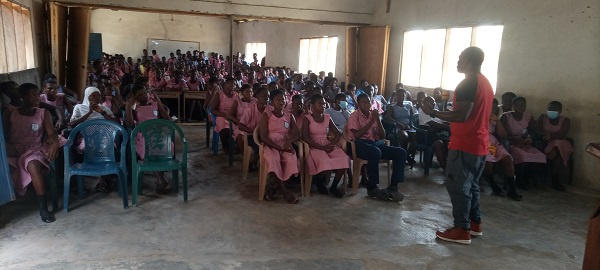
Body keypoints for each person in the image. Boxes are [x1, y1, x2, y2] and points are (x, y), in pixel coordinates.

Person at [422, 46, 494, 245]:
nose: (457, 61)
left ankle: (461, 229)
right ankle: (475, 223)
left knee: (457, 186)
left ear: (469, 61)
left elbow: (462, 115)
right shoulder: (485, 83)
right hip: (479, 142)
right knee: (472, 186)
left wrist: (434, 113)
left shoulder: (467, 84)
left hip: (465, 144)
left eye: (460, 58)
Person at [3, 83, 60, 223]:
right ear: (23, 96)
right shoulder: (10, 112)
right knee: (5, 167)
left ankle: (43, 208)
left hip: (35, 148)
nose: (37, 97)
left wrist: (55, 144)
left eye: (37, 93)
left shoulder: (43, 113)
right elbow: (3, 135)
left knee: (33, 165)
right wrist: (8, 147)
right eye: (33, 94)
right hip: (15, 149)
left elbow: (52, 133)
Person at [346, 94, 407, 202]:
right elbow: (357, 136)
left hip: (374, 144)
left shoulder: (373, 115)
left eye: (368, 102)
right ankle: (372, 187)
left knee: (401, 153)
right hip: (358, 144)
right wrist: (371, 121)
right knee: (375, 152)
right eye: (363, 102)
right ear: (359, 104)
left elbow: (383, 136)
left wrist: (377, 119)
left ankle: (393, 187)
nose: (367, 105)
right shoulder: (354, 115)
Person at [125, 84, 172, 194]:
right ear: (135, 96)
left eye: (145, 92)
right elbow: (129, 123)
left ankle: (160, 179)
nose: (144, 96)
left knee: (162, 143)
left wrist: (159, 103)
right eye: (140, 94)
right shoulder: (135, 106)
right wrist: (128, 106)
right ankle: (160, 179)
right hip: (142, 135)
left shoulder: (154, 103)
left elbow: (167, 119)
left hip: (157, 134)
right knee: (149, 145)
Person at [257, 90, 301, 204]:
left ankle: (273, 188)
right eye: (277, 100)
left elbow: (297, 134)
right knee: (273, 159)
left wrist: (288, 141)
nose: (281, 102)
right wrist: (279, 148)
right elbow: (263, 136)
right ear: (272, 102)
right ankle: (285, 192)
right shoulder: (267, 115)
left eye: (283, 100)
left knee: (291, 159)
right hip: (271, 144)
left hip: (284, 143)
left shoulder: (289, 116)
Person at [302, 94, 349, 198]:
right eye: (320, 104)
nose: (323, 106)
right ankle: (319, 182)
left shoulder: (327, 117)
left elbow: (338, 133)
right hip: (314, 145)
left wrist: (331, 144)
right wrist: (321, 147)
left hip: (327, 143)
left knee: (344, 159)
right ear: (313, 106)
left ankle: (334, 186)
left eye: (324, 104)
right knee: (324, 160)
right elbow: (305, 137)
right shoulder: (307, 118)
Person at [500, 96, 547, 190]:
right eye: (517, 105)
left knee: (540, 156)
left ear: (525, 106)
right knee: (523, 156)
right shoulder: (506, 116)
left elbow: (532, 132)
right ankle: (519, 179)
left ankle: (527, 177)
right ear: (513, 106)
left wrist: (528, 139)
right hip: (510, 143)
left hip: (524, 143)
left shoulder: (528, 117)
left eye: (522, 105)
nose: (520, 107)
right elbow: (500, 134)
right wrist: (513, 140)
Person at [483, 99, 522, 201]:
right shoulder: (478, 117)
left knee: (508, 158)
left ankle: (512, 190)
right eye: (491, 106)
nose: (492, 109)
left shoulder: (494, 119)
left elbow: (503, 135)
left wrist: (497, 121)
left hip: (494, 143)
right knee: (489, 158)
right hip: (481, 143)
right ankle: (492, 183)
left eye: (495, 107)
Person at [536, 101, 573, 191]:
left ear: (560, 110)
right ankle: (555, 180)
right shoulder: (542, 117)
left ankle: (544, 172)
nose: (552, 111)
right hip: (545, 143)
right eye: (550, 109)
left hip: (561, 144)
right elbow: (537, 131)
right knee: (557, 154)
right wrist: (545, 136)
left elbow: (562, 135)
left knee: (557, 144)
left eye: (555, 109)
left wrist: (550, 136)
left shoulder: (566, 120)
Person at [239, 87, 271, 170]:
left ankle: (267, 166)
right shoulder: (250, 109)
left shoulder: (270, 109)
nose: (266, 98)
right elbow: (241, 126)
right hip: (251, 136)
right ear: (257, 96)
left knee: (273, 146)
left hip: (266, 135)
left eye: (268, 96)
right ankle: (253, 163)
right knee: (261, 146)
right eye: (263, 95)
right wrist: (255, 132)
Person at [384, 88, 416, 164]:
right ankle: (405, 156)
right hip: (398, 127)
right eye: (399, 96)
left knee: (416, 137)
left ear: (405, 97)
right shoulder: (392, 107)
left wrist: (410, 124)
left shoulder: (408, 105)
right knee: (404, 136)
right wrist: (398, 124)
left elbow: (413, 116)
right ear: (396, 96)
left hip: (408, 126)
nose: (401, 97)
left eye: (403, 96)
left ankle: (406, 155)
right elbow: (388, 117)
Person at [209, 77, 239, 154]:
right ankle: (226, 147)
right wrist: (225, 115)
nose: (233, 85)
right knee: (224, 127)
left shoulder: (236, 95)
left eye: (234, 84)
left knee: (239, 127)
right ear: (225, 84)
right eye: (230, 83)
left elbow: (238, 108)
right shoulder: (219, 94)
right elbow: (213, 110)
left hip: (232, 116)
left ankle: (236, 145)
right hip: (221, 115)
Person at [228, 84, 256, 154]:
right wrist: (239, 122)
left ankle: (254, 155)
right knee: (240, 136)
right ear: (242, 93)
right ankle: (244, 156)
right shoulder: (237, 101)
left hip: (253, 124)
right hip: (240, 125)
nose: (250, 94)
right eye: (247, 92)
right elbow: (229, 115)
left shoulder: (255, 101)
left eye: (251, 92)